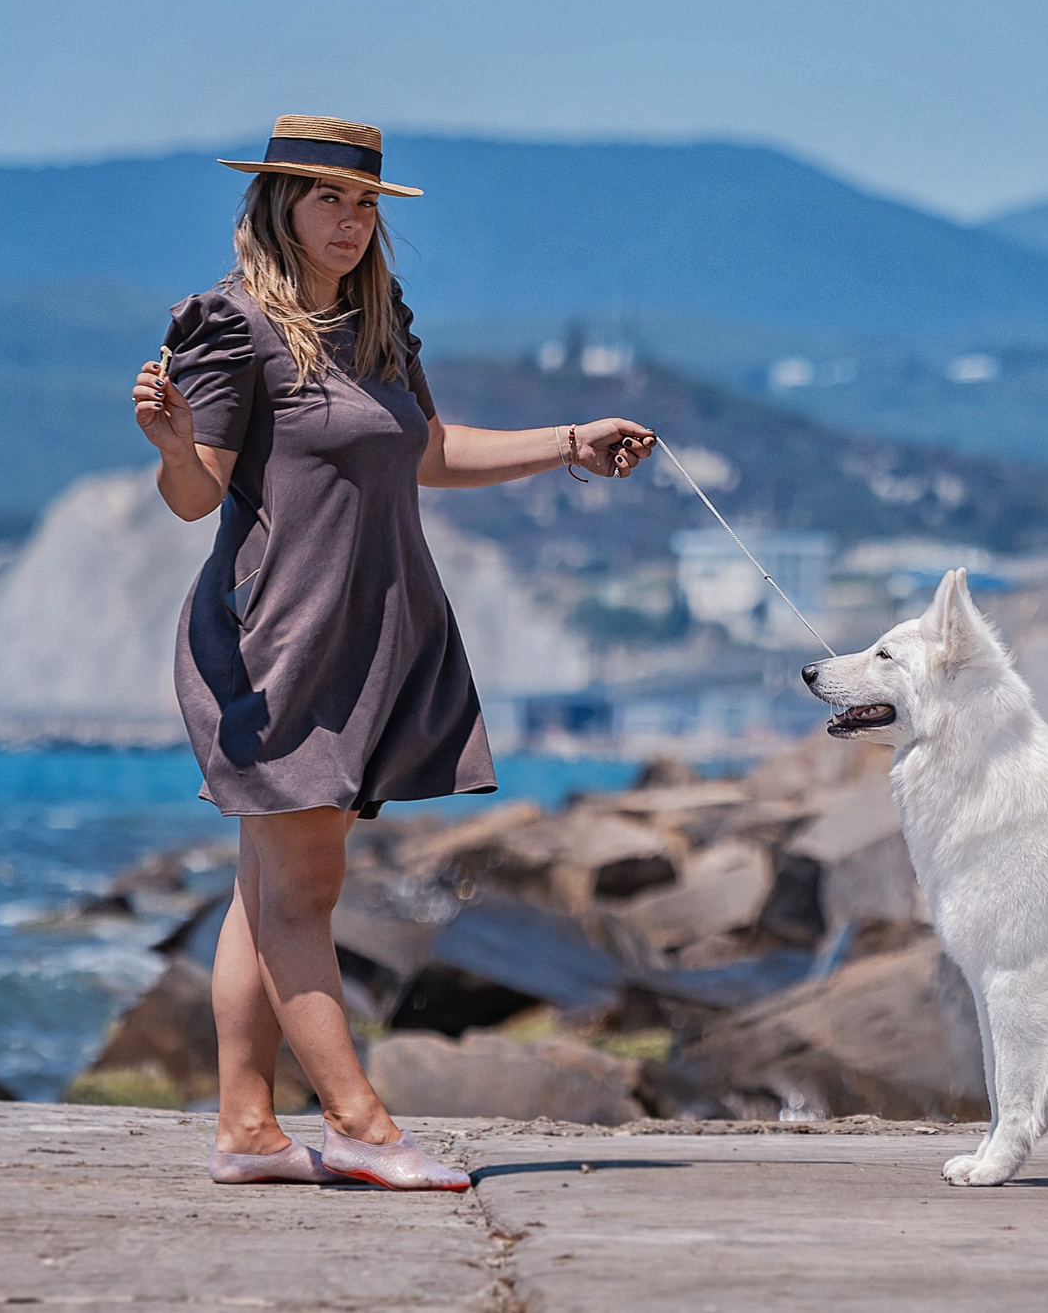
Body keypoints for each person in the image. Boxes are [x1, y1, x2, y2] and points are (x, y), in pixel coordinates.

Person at [132, 114, 657, 1192]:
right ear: (278, 205)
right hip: (276, 640)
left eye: (364, 202)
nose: (350, 220)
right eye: (327, 198)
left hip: (370, 631)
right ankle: (362, 1126)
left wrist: (567, 440)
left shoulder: (376, 331)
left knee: (264, 892)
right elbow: (195, 498)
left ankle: (247, 1131)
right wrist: (175, 447)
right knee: (302, 893)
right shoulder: (230, 331)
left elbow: (429, 452)